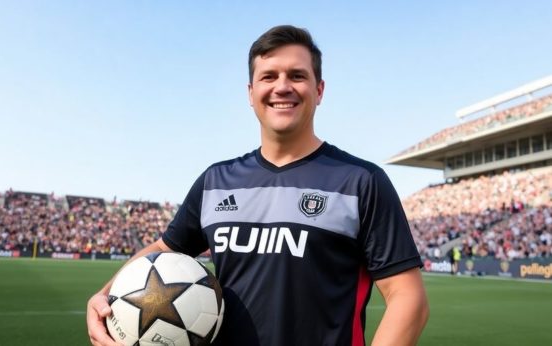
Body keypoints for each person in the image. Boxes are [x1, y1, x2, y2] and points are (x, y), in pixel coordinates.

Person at [87, 25, 429, 346]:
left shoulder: (360, 181)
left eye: (297, 75)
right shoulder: (215, 182)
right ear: (251, 94)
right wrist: (105, 294)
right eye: (269, 76)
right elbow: (165, 250)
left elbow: (408, 297)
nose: (282, 87)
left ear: (319, 90)